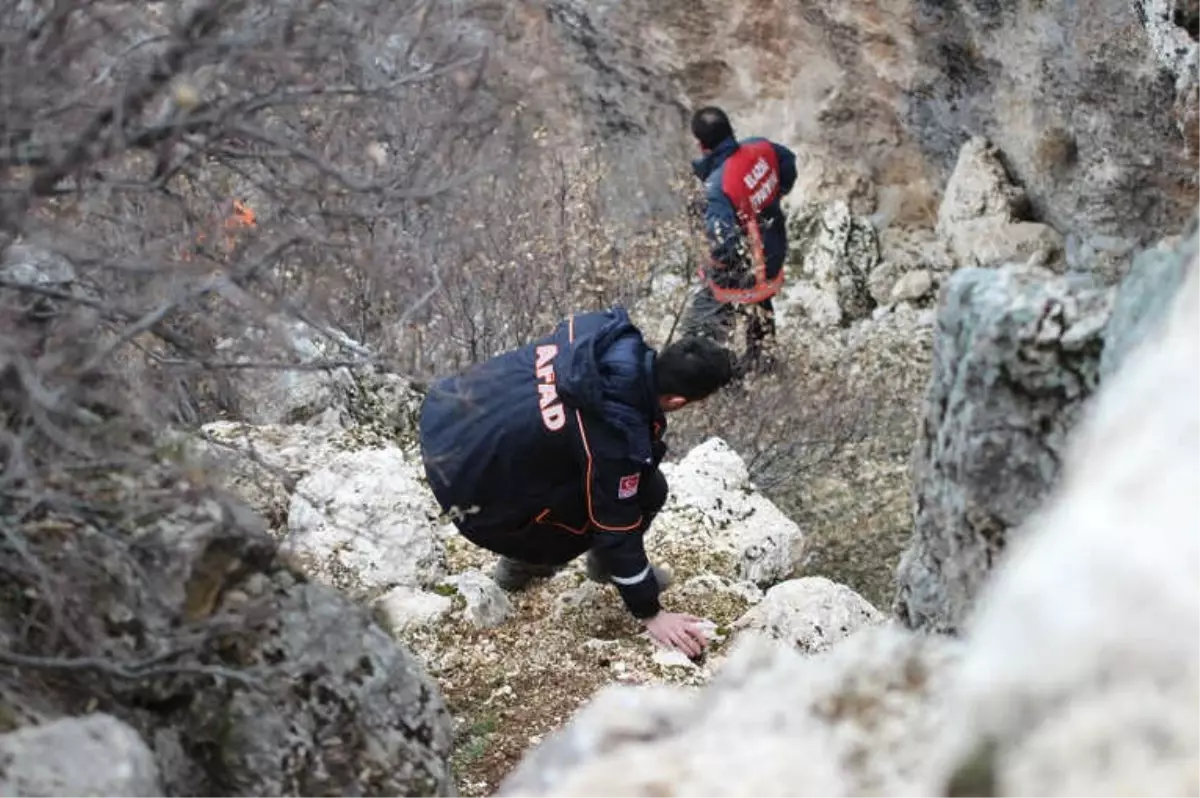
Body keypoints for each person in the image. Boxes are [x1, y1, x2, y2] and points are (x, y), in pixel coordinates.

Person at [418, 306, 735, 657]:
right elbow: (616, 526)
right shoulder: (616, 436)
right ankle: (526, 563)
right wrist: (650, 612)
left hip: (449, 417)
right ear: (676, 400)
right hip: (474, 499)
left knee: (621, 475)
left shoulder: (600, 331)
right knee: (643, 493)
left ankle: (586, 562)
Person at [683, 106, 798, 369]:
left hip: (745, 270)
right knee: (761, 313)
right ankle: (765, 361)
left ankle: (715, 375)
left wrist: (712, 268)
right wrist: (773, 196)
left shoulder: (717, 187)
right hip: (772, 250)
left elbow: (724, 245)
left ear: (702, 145)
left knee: (700, 327)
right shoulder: (761, 148)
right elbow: (788, 163)